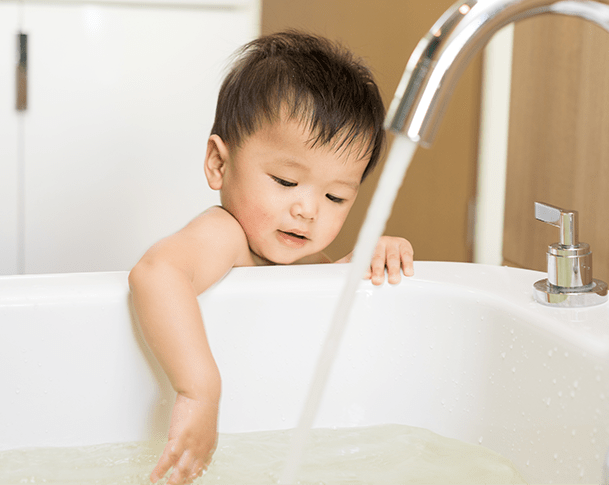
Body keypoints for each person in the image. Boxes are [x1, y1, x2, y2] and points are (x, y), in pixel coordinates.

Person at [128, 30, 414, 485]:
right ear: (220, 164)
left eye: (336, 196)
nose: (308, 209)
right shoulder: (226, 236)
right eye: (284, 181)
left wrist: (367, 260)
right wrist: (199, 391)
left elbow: (318, 303)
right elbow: (156, 274)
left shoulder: (302, 258)